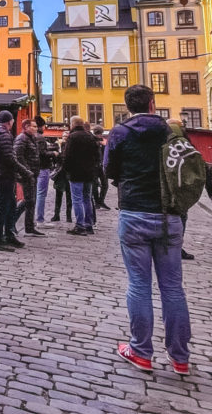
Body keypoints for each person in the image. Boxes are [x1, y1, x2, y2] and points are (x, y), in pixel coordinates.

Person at [105, 85, 189, 374]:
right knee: (173, 289)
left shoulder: (120, 132)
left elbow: (109, 171)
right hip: (169, 214)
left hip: (134, 212)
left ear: (128, 106)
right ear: (153, 104)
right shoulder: (171, 131)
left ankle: (140, 351)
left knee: (139, 285)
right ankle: (180, 357)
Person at [0, 110, 33, 252]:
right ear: (9, 121)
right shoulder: (4, 135)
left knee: (11, 205)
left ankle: (8, 234)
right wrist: (25, 171)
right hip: (4, 175)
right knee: (3, 207)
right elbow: (9, 158)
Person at [63, 116, 98, 235]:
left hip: (76, 173)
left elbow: (67, 156)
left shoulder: (72, 137)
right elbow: (97, 156)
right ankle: (89, 224)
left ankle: (80, 225)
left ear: (72, 124)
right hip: (89, 173)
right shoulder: (90, 136)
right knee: (87, 198)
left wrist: (66, 170)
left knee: (77, 199)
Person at [166, 119, 195, 262]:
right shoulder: (185, 143)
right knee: (180, 217)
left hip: (168, 188)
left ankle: (173, 245)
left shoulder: (161, 141)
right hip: (180, 189)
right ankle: (176, 245)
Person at [13, 118, 45, 236]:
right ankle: (12, 222)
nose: (36, 129)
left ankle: (29, 227)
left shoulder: (31, 138)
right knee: (28, 200)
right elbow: (18, 157)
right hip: (26, 174)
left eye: (36, 127)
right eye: (34, 126)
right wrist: (27, 171)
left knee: (31, 201)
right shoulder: (21, 139)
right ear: (26, 127)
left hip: (32, 173)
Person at [34, 116, 54, 225]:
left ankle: (35, 218)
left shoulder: (32, 136)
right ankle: (40, 219)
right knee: (41, 194)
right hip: (43, 168)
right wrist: (53, 153)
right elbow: (42, 153)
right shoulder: (40, 138)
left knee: (36, 194)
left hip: (34, 168)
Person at [50, 130, 73, 222]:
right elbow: (55, 160)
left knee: (69, 195)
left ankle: (68, 216)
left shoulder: (71, 147)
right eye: (63, 136)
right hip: (60, 173)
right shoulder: (58, 145)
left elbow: (66, 158)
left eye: (66, 136)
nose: (64, 138)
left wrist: (59, 153)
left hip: (68, 173)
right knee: (58, 195)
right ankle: (56, 214)